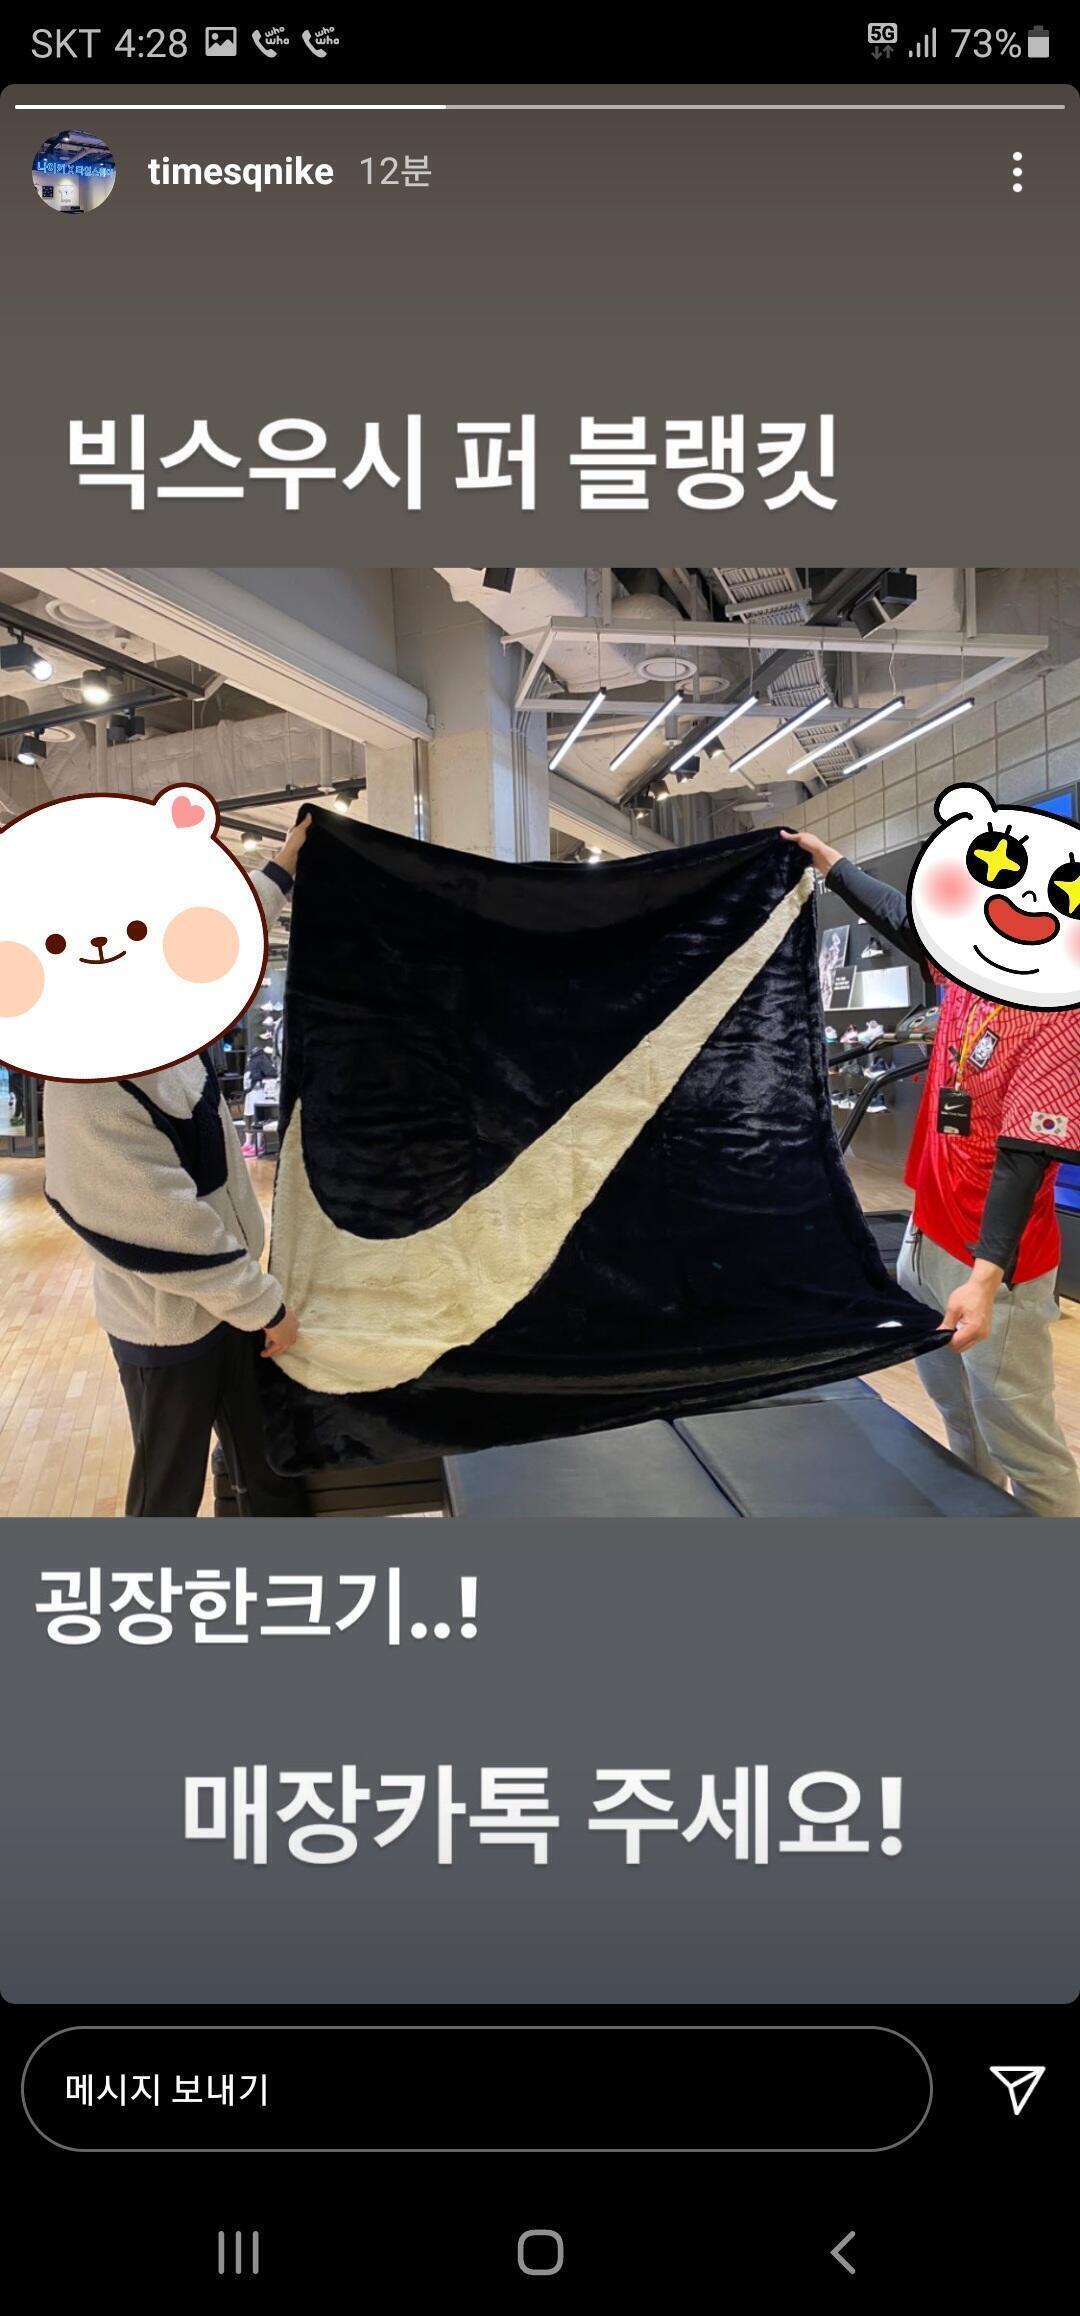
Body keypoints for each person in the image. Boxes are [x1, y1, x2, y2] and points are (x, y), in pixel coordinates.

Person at [783, 827, 1080, 1517]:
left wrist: (985, 1279)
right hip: (929, 1235)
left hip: (991, 1266)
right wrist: (829, 860)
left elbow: (1024, 1157)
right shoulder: (967, 967)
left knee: (1025, 1447)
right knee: (958, 1419)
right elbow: (899, 915)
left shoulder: (1059, 1014)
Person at [43, 817, 310, 1517]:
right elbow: (165, 1230)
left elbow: (220, 940)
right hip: (168, 1328)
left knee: (271, 1470)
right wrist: (263, 1305)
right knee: (167, 1495)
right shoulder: (85, 1084)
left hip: (230, 1302)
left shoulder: (157, 1021)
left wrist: (282, 867)